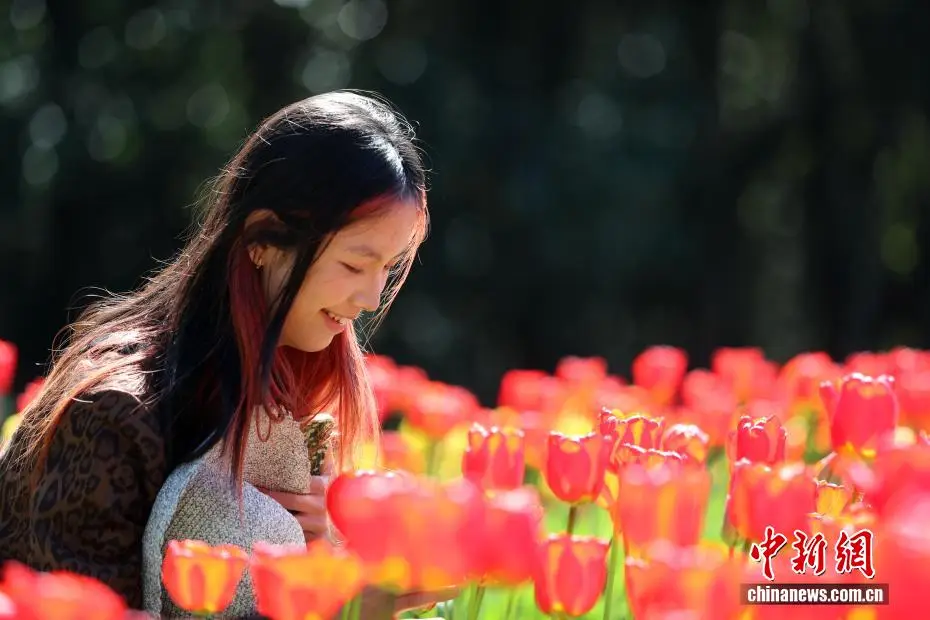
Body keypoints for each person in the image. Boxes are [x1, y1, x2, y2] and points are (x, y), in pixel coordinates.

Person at [0, 90, 448, 615]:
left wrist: (326, 560)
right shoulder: (114, 413)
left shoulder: (293, 411)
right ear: (262, 240)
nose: (371, 298)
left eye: (388, 268)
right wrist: (338, 606)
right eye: (354, 265)